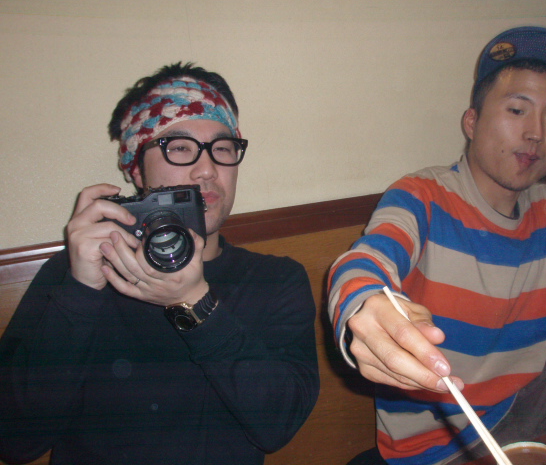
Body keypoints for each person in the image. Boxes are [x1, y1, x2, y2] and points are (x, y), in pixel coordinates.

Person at [327, 26, 546, 465]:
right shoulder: (423, 197)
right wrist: (363, 303)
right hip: (444, 446)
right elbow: (367, 259)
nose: (535, 133)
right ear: (472, 122)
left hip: (530, 409)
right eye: (517, 110)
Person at [0, 63, 319, 465]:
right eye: (180, 147)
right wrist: (79, 292)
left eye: (222, 148)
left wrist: (197, 304)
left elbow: (278, 426)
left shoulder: (275, 280)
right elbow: (14, 442)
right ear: (136, 169)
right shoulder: (75, 274)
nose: (208, 170)